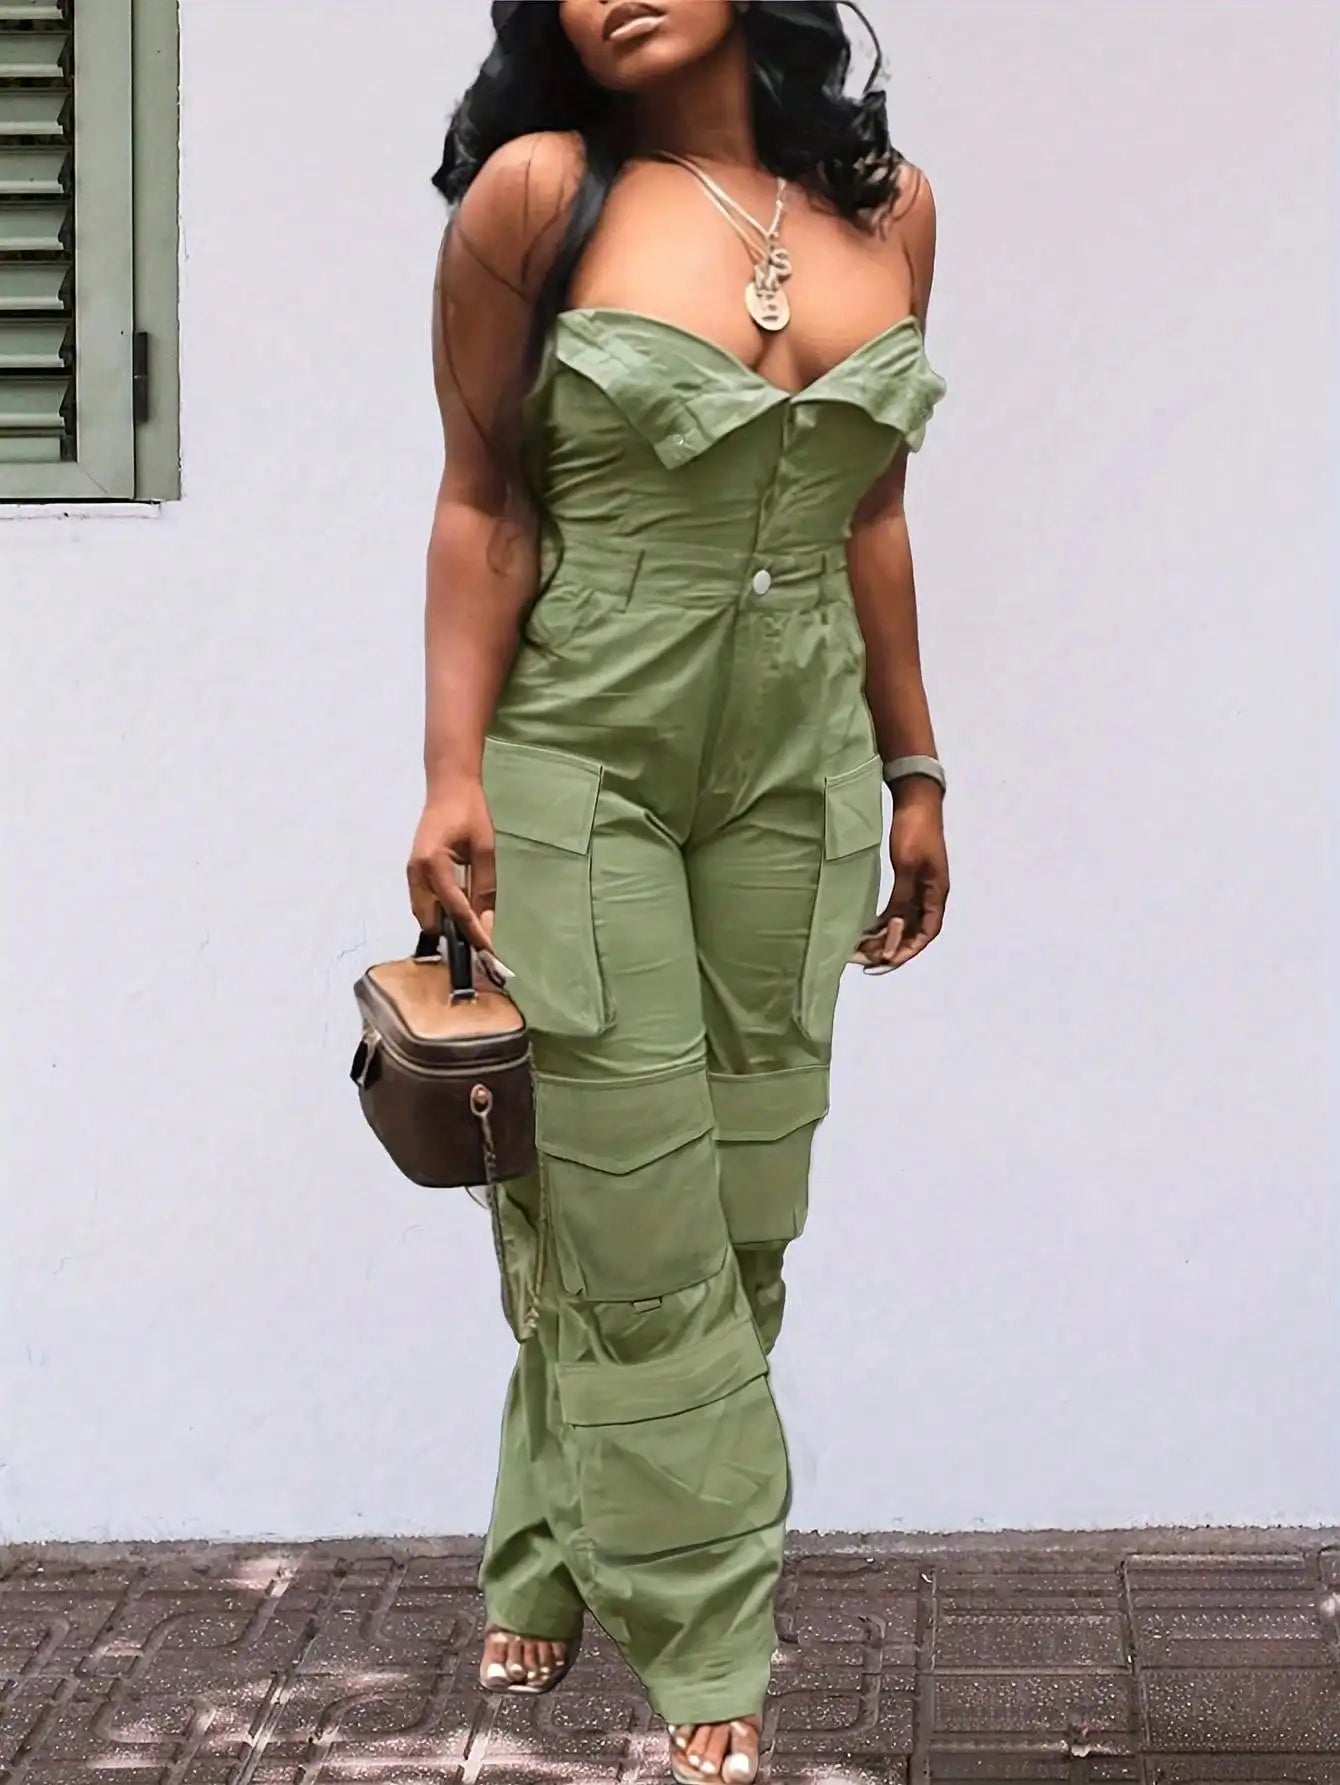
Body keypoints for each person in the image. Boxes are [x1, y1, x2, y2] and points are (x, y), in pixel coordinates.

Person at [407, 2, 950, 1778]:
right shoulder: (537, 194)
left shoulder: (888, 207)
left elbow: (874, 518)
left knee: (740, 1206)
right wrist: (452, 773)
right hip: (586, 761)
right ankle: (711, 1630)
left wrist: (917, 767)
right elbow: (483, 503)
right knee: (632, 1203)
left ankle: (541, 1538)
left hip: (799, 769)